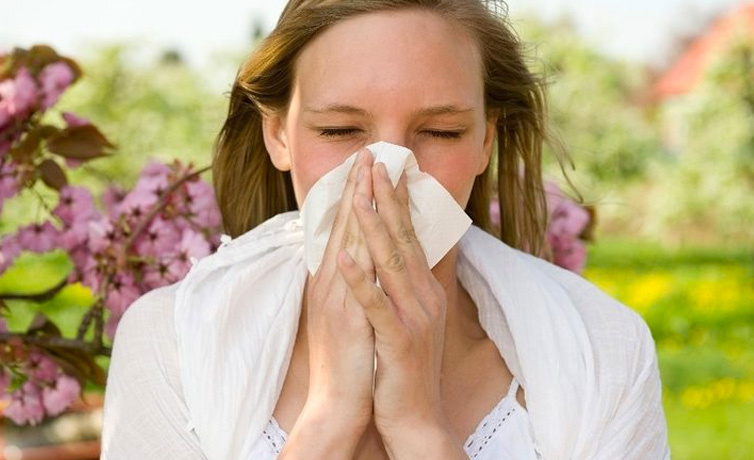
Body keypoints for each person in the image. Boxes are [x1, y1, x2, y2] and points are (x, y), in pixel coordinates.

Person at [101, 1, 670, 459]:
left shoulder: (605, 352)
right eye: (341, 129)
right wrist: (328, 417)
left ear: (486, 141)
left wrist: (420, 427)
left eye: (442, 132)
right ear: (278, 135)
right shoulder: (172, 343)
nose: (390, 173)